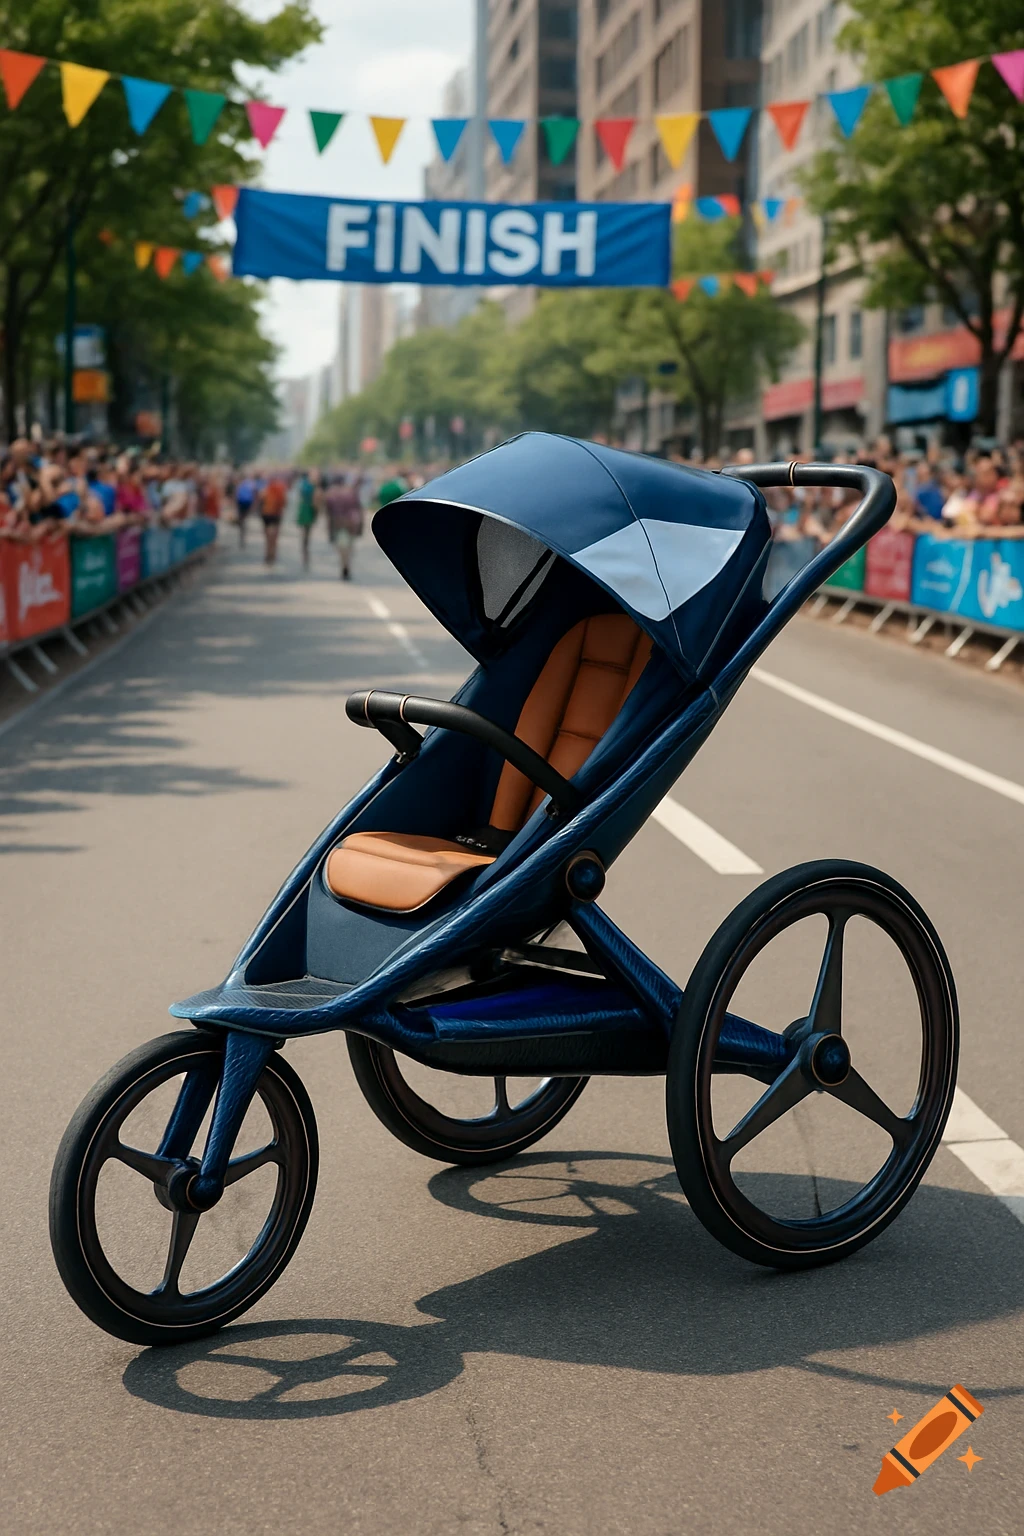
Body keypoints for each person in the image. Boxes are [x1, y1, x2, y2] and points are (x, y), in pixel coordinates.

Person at [324, 473, 364, 580]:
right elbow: (359, 508)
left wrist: (329, 529)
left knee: (342, 547)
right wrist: (361, 526)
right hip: (352, 522)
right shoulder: (351, 492)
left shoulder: (330, 494)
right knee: (349, 546)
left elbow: (328, 513)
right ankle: (347, 565)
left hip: (338, 522)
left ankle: (344, 565)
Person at [259, 472, 288, 566]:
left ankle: (267, 554)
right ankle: (273, 554)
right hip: (276, 515)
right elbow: (284, 503)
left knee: (267, 536)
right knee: (275, 537)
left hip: (266, 514)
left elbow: (260, 501)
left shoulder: (265, 490)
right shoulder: (281, 489)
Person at [295, 468, 319, 570]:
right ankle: (305, 556)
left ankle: (304, 554)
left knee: (304, 536)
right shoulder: (313, 486)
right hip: (308, 511)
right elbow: (315, 502)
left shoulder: (302, 484)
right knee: (306, 536)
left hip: (303, 509)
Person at [234, 472, 257, 545]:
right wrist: (253, 506)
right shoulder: (251, 484)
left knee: (242, 520)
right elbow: (254, 495)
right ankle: (243, 535)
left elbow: (236, 495)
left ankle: (242, 535)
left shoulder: (239, 484)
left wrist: (235, 505)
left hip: (241, 503)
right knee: (244, 520)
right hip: (247, 503)